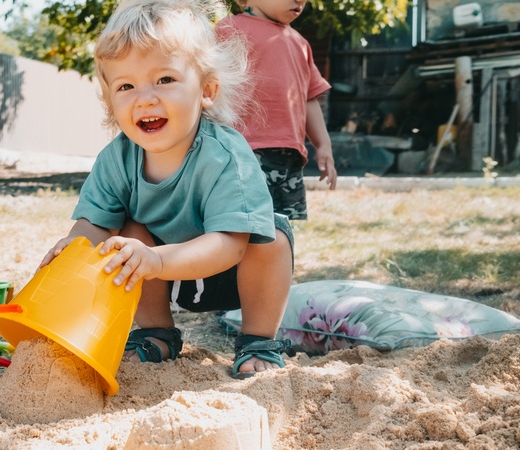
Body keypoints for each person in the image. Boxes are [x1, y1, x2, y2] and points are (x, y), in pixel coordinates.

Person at [37, 0, 293, 379]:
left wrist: (158, 261)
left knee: (270, 236)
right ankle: (156, 332)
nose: (145, 97)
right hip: (167, 278)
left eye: (165, 79)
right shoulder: (116, 160)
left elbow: (232, 243)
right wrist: (74, 247)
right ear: (110, 100)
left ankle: (257, 340)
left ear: (206, 90)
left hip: (235, 270)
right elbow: (94, 225)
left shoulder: (225, 154)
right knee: (127, 233)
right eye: (126, 85)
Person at [216, 0, 337, 220]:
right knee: (246, 225)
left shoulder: (300, 43)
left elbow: (309, 98)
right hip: (244, 152)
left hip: (291, 155)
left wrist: (323, 144)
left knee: (284, 226)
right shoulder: (229, 30)